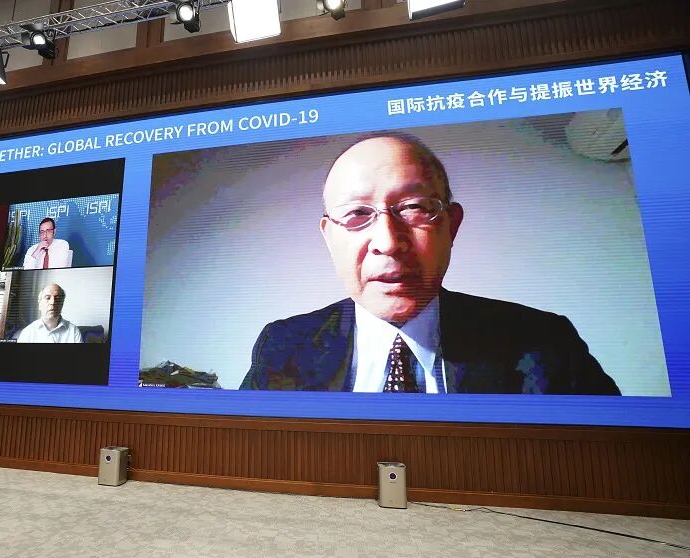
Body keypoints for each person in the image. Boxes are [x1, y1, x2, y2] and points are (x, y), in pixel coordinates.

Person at [241, 134, 620, 395]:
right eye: (357, 214)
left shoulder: (546, 343)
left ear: (451, 226)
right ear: (329, 237)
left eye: (415, 208)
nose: (389, 242)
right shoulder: (282, 344)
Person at [17, 283, 83, 343]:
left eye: (57, 298)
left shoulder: (73, 331)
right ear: (40, 304)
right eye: (48, 298)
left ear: (62, 304)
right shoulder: (28, 332)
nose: (52, 302)